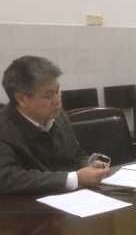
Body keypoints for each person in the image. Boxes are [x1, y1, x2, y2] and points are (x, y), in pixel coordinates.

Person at [0, 56, 110, 195]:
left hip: (71, 199)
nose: (57, 101)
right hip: (27, 205)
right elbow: (7, 178)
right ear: (21, 99)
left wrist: (88, 164)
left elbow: (75, 153)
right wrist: (74, 179)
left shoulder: (58, 115)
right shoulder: (4, 128)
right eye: (48, 96)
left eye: (58, 91)